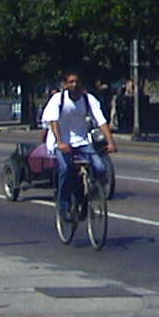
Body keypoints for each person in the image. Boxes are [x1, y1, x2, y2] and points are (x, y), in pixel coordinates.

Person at [42, 71, 117, 218]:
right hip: (60, 143)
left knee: (100, 168)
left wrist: (111, 142)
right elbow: (53, 122)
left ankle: (87, 197)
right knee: (66, 169)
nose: (74, 85)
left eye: (77, 82)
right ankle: (64, 206)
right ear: (65, 84)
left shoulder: (88, 100)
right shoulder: (58, 99)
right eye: (71, 82)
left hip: (81, 141)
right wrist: (60, 142)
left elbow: (101, 121)